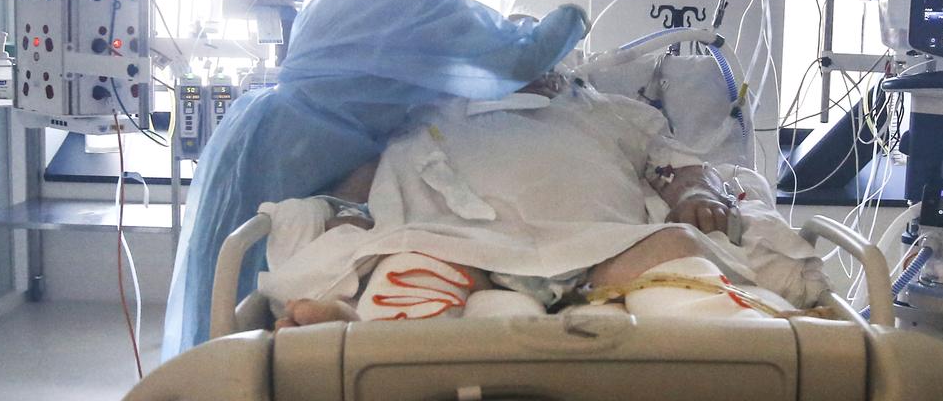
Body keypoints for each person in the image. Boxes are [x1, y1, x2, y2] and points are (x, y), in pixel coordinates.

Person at [162, 0, 590, 358]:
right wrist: (571, 20)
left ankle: (225, 370)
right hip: (303, 143)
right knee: (252, 279)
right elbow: (511, 57)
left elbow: (424, 60)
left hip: (280, 127)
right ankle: (225, 376)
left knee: (238, 279)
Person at [254, 79, 827, 327]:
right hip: (456, 239)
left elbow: (670, 161)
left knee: (673, 246)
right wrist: (350, 211)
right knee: (412, 264)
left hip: (604, 243)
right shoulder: (432, 108)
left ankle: (754, 332)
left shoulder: (601, 107)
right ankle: (364, 332)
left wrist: (696, 190)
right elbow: (369, 172)